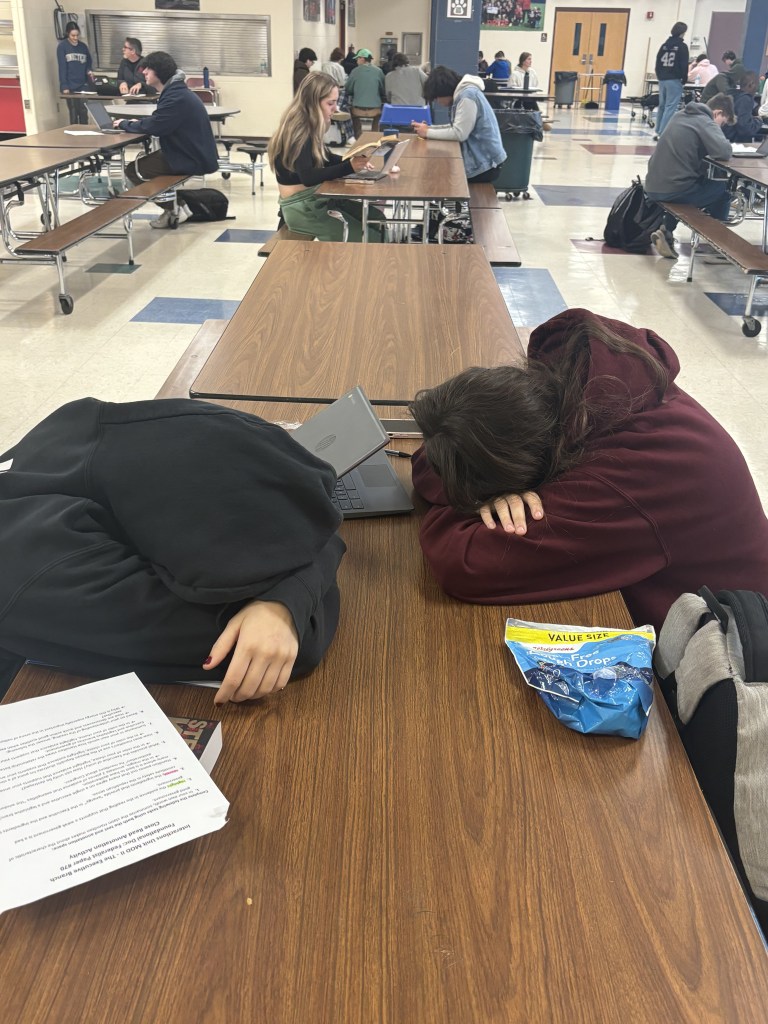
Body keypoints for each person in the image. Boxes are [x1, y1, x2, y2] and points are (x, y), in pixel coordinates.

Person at [407, 308, 768, 636]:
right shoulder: (583, 385)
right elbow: (429, 461)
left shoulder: (623, 478)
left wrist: (466, 503)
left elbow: (466, 566)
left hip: (733, 651)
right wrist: (489, 491)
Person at [0, 397, 346, 704]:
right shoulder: (49, 572)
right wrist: (282, 605)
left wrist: (284, 587)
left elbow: (319, 521)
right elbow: (286, 647)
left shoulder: (103, 428)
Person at [268, 72, 386, 242]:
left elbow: (323, 157)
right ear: (313, 103)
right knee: (371, 238)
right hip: (302, 207)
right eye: (330, 103)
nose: (335, 109)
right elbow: (308, 177)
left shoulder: (309, 123)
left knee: (377, 219)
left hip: (313, 199)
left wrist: (352, 160)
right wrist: (349, 167)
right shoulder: (299, 131)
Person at [112, 51, 219, 229]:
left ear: (159, 72)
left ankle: (175, 207)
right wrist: (137, 123)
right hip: (191, 152)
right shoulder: (176, 92)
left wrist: (125, 124)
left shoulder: (175, 96)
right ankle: (176, 207)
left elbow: (156, 126)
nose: (144, 72)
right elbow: (159, 121)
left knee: (134, 170)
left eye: (148, 69)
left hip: (190, 157)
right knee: (149, 163)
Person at [644, 93, 734, 259]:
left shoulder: (681, 115)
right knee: (722, 192)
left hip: (652, 185)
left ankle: (666, 231)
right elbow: (724, 152)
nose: (720, 128)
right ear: (717, 113)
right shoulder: (705, 120)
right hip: (672, 188)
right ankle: (719, 243)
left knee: (688, 190)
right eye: (722, 123)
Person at [412, 66, 506, 184]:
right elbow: (455, 127)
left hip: (486, 164)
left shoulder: (467, 96)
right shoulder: (464, 94)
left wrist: (427, 132)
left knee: (441, 178)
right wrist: (429, 129)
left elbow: (459, 133)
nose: (438, 102)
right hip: (483, 160)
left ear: (443, 91)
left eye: (436, 98)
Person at [655, 22, 689, 136]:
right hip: (674, 79)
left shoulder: (664, 45)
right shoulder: (682, 47)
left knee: (662, 106)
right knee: (671, 106)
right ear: (683, 33)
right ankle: (663, 132)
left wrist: (659, 75)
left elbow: (657, 62)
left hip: (662, 79)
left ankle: (657, 130)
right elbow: (684, 65)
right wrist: (684, 79)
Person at [57, 21, 95, 125]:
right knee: (73, 112)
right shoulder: (62, 47)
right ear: (67, 34)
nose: (75, 38)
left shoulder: (83, 46)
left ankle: (85, 134)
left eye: (77, 35)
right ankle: (74, 137)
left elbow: (89, 62)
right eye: (73, 35)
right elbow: (62, 67)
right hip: (70, 84)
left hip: (83, 84)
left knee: (83, 110)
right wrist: (64, 86)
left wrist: (89, 71)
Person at [345, 48, 386, 137]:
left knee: (353, 116)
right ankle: (375, 136)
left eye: (357, 59)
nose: (356, 61)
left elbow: (348, 89)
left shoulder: (355, 71)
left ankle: (358, 136)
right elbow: (383, 89)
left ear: (362, 58)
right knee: (378, 117)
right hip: (375, 109)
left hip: (357, 110)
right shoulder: (378, 71)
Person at [722, 70, 763, 142]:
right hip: (736, 142)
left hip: (725, 138)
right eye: (757, 85)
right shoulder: (745, 99)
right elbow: (745, 129)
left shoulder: (731, 94)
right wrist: (758, 121)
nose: (757, 88)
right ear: (751, 84)